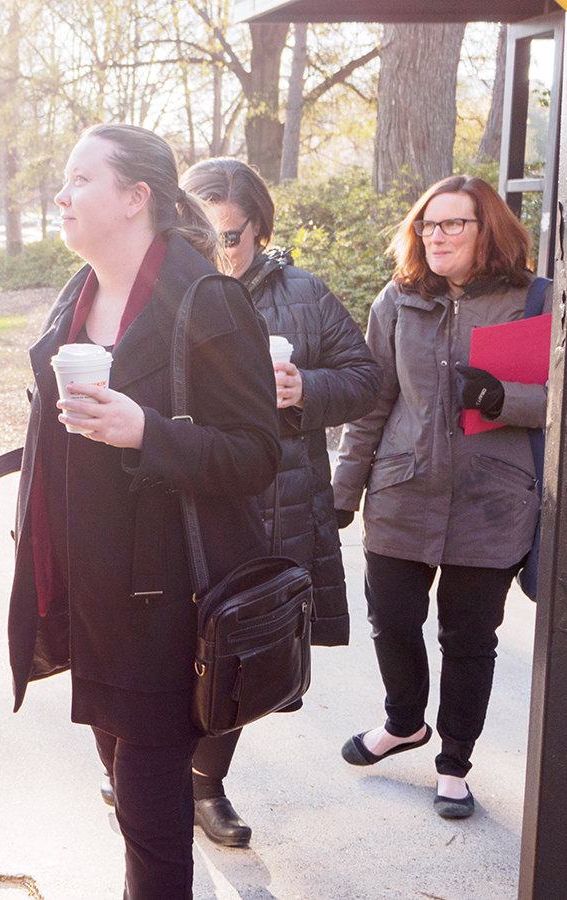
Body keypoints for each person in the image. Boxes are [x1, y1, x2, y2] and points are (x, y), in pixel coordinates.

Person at [7, 124, 278, 899]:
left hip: (165, 611)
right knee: (131, 803)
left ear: (135, 198)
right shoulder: (76, 296)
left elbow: (257, 453)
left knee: (154, 839)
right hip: (87, 603)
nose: (62, 195)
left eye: (81, 179)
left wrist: (147, 433)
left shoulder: (208, 300)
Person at [172, 158, 381, 847]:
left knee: (241, 652)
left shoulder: (305, 293)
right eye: (204, 235)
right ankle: (147, 765)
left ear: (258, 228)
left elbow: (366, 380)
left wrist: (306, 390)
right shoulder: (168, 289)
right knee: (168, 648)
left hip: (275, 504)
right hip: (183, 503)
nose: (218, 251)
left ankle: (205, 788)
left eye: (229, 236)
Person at [332, 174, 549, 820]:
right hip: (402, 492)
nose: (438, 235)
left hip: (492, 502)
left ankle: (454, 761)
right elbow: (371, 403)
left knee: (469, 637)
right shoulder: (398, 300)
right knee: (391, 617)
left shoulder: (537, 301)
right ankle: (404, 722)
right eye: (429, 224)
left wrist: (504, 400)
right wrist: (345, 489)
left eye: (455, 223)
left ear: (489, 231)